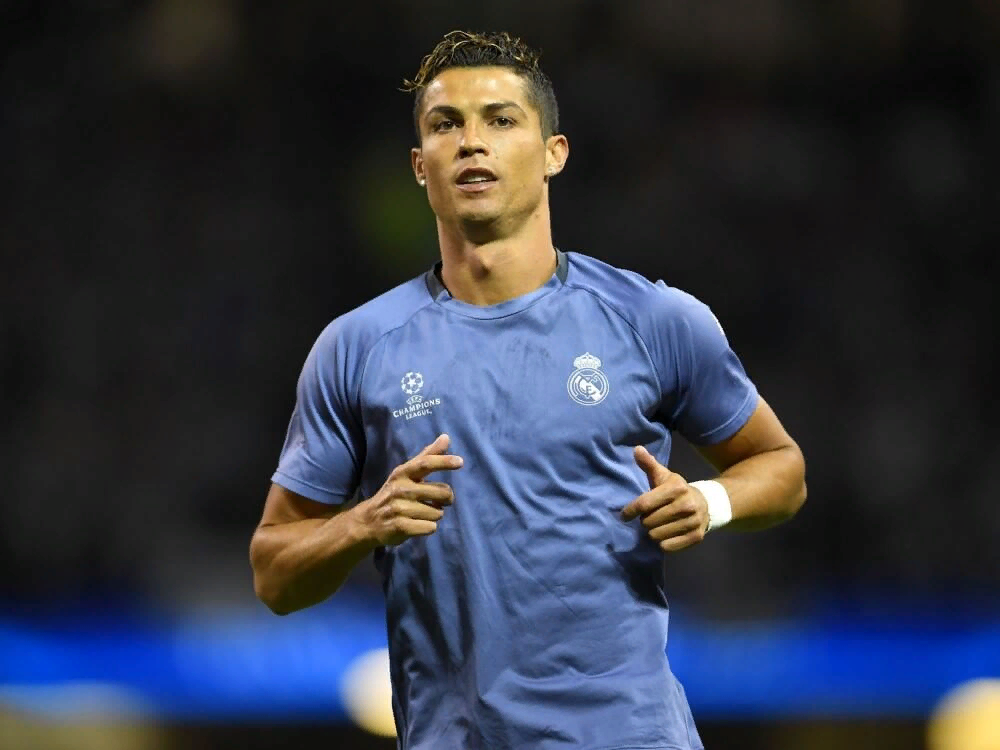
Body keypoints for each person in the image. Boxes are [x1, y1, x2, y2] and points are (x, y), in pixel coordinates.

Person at [250, 29, 807, 750]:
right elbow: (274, 573)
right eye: (445, 125)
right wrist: (362, 524)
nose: (471, 142)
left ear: (553, 153)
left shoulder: (652, 320)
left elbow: (782, 468)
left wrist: (709, 500)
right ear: (420, 166)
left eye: (501, 119)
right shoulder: (357, 348)